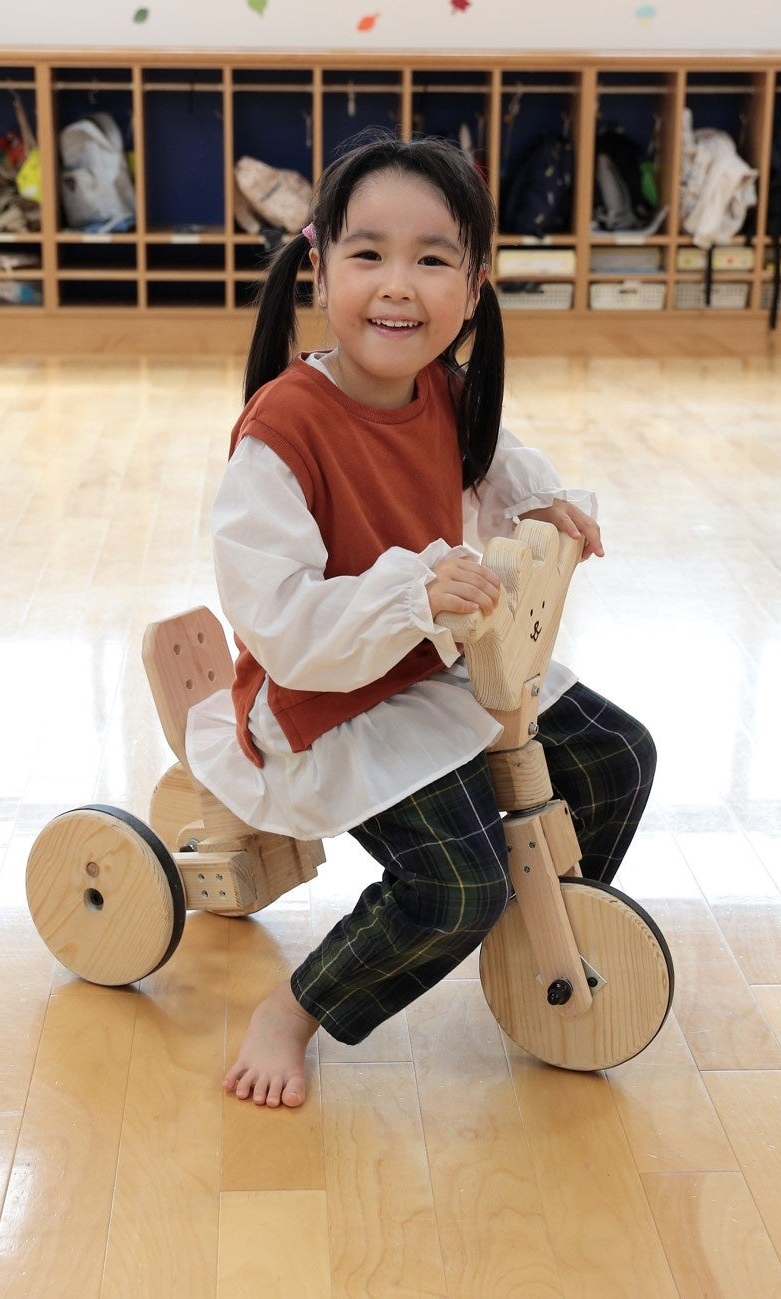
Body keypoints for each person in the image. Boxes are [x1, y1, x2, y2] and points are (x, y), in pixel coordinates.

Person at [183, 133, 656, 1109]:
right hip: (327, 697)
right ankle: (294, 1011)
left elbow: (491, 459)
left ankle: (536, 931)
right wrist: (409, 594)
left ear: (473, 288)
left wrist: (540, 503)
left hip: (427, 663)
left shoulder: (440, 389)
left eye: (432, 259)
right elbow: (279, 624)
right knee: (452, 886)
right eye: (368, 254)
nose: (398, 285)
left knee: (616, 756)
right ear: (320, 272)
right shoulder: (282, 430)